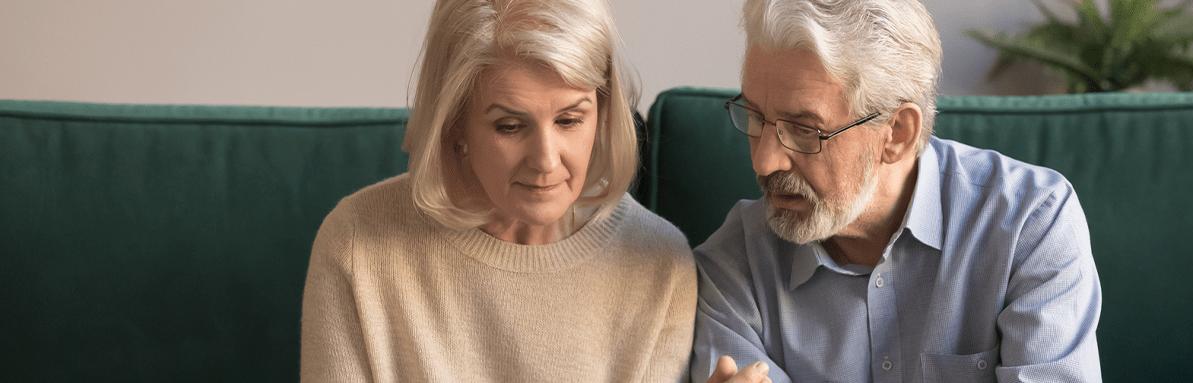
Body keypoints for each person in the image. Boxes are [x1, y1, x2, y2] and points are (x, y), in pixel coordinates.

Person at [692, 0, 1103, 382]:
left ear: (897, 134)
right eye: (756, 118)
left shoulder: (1029, 225)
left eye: (804, 129)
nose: (764, 161)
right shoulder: (733, 265)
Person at [300, 0, 694, 381]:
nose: (545, 160)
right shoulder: (356, 246)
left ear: (604, 113)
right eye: (509, 126)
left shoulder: (661, 267)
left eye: (570, 120)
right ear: (454, 126)